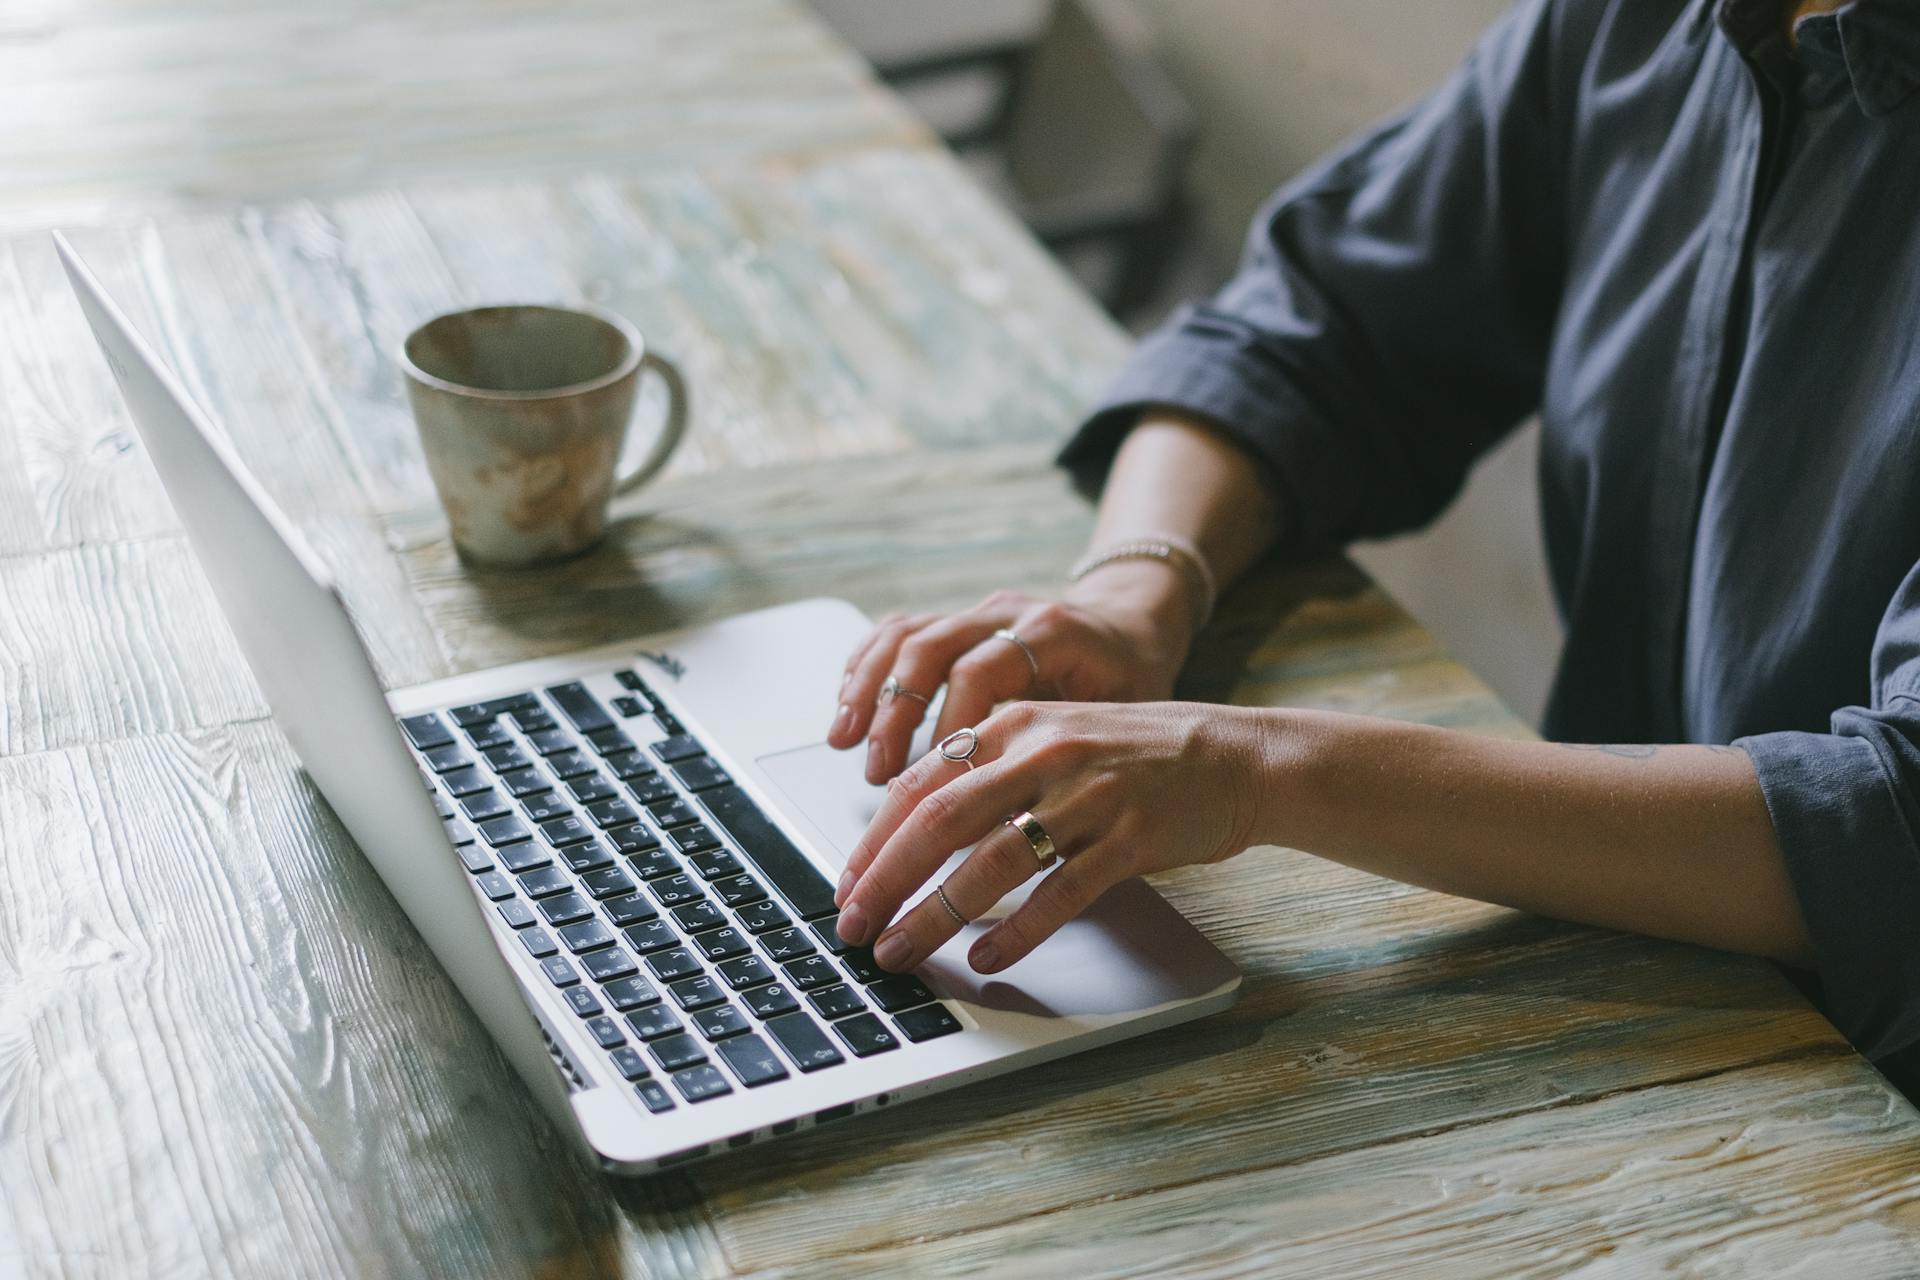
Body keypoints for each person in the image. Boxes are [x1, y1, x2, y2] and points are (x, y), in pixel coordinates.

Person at [826, 0, 1920, 1094]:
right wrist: (1137, 585)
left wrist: (1254, 767)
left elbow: (1890, 829)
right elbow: (1314, 332)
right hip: (1616, 981)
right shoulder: (1636, 26)